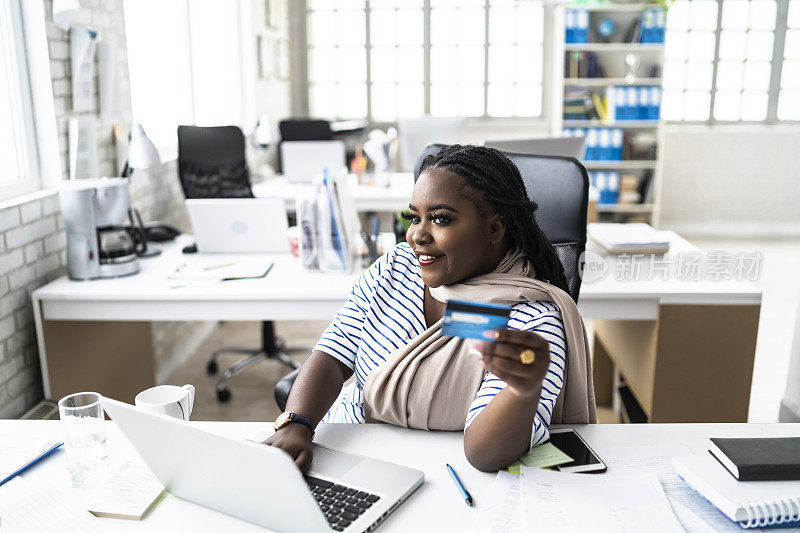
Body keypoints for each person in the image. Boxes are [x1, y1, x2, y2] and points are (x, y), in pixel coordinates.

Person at [265, 145, 594, 472]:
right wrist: (296, 424)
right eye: (414, 217)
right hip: (344, 451)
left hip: (443, 476)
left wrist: (523, 390)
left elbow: (484, 454)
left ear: (494, 228)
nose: (417, 235)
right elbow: (334, 354)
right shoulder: (396, 268)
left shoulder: (529, 318)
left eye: (440, 219)